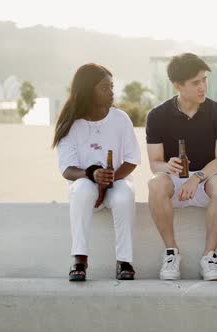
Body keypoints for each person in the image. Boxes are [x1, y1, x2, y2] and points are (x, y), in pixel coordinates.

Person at [146, 53, 217, 281]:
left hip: (206, 181)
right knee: (155, 183)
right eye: (196, 82)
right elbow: (154, 163)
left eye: (204, 80)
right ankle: (171, 253)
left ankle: (210, 257)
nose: (203, 86)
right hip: (174, 183)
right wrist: (167, 166)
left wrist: (197, 179)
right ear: (177, 85)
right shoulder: (156, 116)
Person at [53, 63, 141, 281]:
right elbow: (67, 169)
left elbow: (132, 159)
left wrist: (110, 180)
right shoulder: (70, 123)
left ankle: (124, 261)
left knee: (125, 194)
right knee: (83, 188)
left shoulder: (120, 119)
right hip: (84, 182)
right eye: (104, 88)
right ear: (87, 91)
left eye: (111, 87)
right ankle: (79, 260)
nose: (111, 92)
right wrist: (92, 175)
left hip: (117, 180)